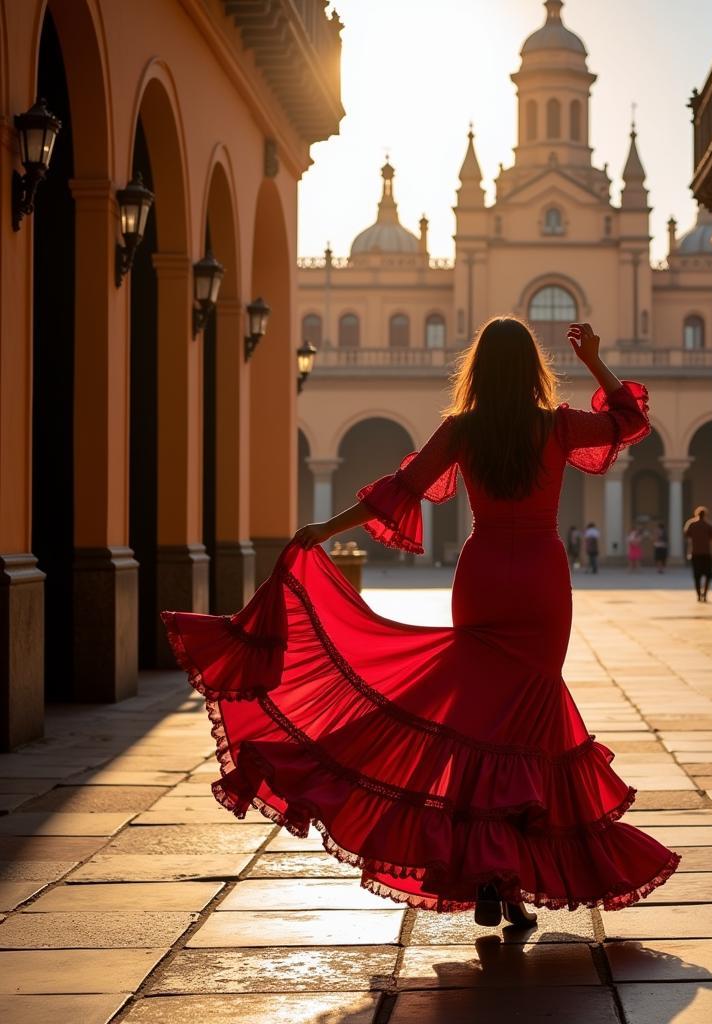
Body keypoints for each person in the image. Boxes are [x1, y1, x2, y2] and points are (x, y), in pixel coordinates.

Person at [162, 318, 678, 929]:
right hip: (541, 580)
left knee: (474, 721)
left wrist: (324, 530)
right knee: (527, 725)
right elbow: (628, 420)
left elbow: (400, 489)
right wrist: (593, 359)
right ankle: (504, 879)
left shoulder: (463, 430)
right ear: (533, 370)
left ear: (479, 370)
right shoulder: (558, 425)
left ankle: (495, 878)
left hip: (483, 575)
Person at [684, 505, 712, 602]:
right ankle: (705, 594)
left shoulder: (691, 524)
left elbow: (686, 534)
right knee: (708, 575)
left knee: (697, 576)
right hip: (706, 553)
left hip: (695, 553)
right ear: (705, 514)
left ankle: (699, 595)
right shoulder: (708, 525)